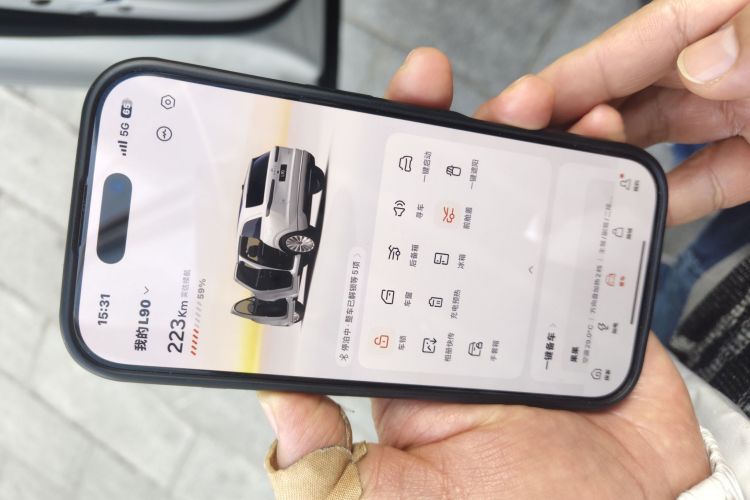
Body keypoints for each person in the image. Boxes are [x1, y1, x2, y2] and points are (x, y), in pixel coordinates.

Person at [258, 0, 750, 497]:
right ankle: (690, 259)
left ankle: (690, 256)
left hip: (701, 369)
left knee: (674, 242)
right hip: (690, 385)